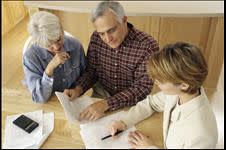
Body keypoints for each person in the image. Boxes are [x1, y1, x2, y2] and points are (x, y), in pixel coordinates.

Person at [108, 42, 218, 149]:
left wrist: (149, 147)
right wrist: (124, 122)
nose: (155, 82)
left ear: (184, 85)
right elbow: (151, 103)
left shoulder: (202, 134)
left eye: (160, 80)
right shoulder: (179, 93)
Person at [63, 1, 159, 121]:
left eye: (112, 30)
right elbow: (92, 70)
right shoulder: (96, 38)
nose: (107, 39)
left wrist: (106, 104)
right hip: (102, 93)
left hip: (132, 101)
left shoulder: (148, 46)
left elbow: (142, 88)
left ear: (124, 20)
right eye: (102, 33)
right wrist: (78, 88)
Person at [23, 11, 86, 103]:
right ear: (39, 43)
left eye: (58, 39)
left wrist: (77, 90)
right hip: (49, 103)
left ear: (62, 29)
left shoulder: (76, 45)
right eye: (49, 45)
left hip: (73, 100)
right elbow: (39, 99)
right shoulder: (30, 57)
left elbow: (86, 75)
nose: (56, 47)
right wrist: (49, 69)